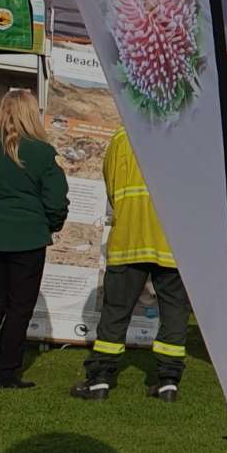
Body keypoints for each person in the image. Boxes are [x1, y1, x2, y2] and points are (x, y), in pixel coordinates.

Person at [0, 90, 68, 390]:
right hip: (28, 238)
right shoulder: (43, 153)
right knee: (20, 307)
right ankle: (5, 373)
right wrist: (49, 224)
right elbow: (57, 200)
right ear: (31, 113)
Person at [70, 128, 192, 401]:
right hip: (171, 240)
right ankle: (168, 382)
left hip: (129, 237)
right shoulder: (183, 138)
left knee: (115, 311)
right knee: (174, 311)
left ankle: (100, 379)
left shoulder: (122, 138)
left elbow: (111, 186)